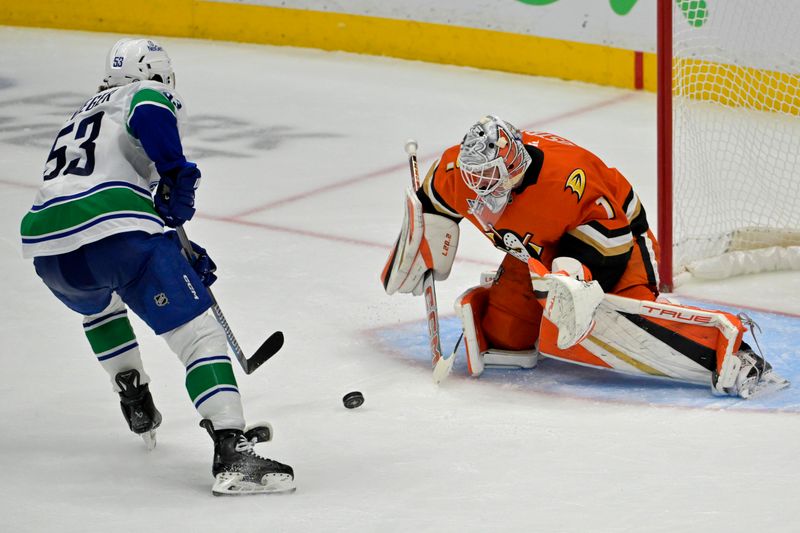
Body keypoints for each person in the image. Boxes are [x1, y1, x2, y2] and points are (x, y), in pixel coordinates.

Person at [19, 38, 294, 494]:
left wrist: (175, 248)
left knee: (101, 306)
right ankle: (231, 449)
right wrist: (176, 171)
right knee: (199, 335)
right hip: (115, 232)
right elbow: (151, 117)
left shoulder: (85, 114)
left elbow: (116, 194)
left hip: (47, 247)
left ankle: (132, 390)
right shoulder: (140, 94)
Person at [381, 115, 788, 398]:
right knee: (504, 341)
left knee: (626, 318)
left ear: (514, 167)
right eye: (474, 179)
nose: (478, 190)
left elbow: (612, 241)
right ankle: (547, 295)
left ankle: (735, 356)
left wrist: (573, 277)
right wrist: (424, 240)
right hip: (536, 250)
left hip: (616, 238)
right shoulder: (461, 171)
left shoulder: (565, 181)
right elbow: (433, 200)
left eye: (488, 179)